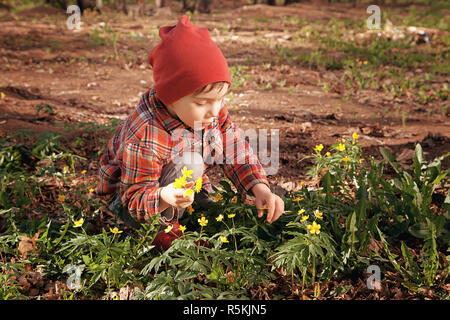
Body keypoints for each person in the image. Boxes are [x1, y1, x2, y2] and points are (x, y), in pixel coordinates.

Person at [96, 15, 284, 249]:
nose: (215, 110)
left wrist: (259, 186)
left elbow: (234, 148)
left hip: (178, 183)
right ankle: (163, 231)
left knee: (218, 209)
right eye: (203, 102)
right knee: (192, 162)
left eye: (221, 99)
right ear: (170, 97)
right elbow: (134, 197)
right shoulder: (145, 134)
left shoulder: (211, 111)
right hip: (133, 202)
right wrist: (165, 196)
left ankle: (189, 212)